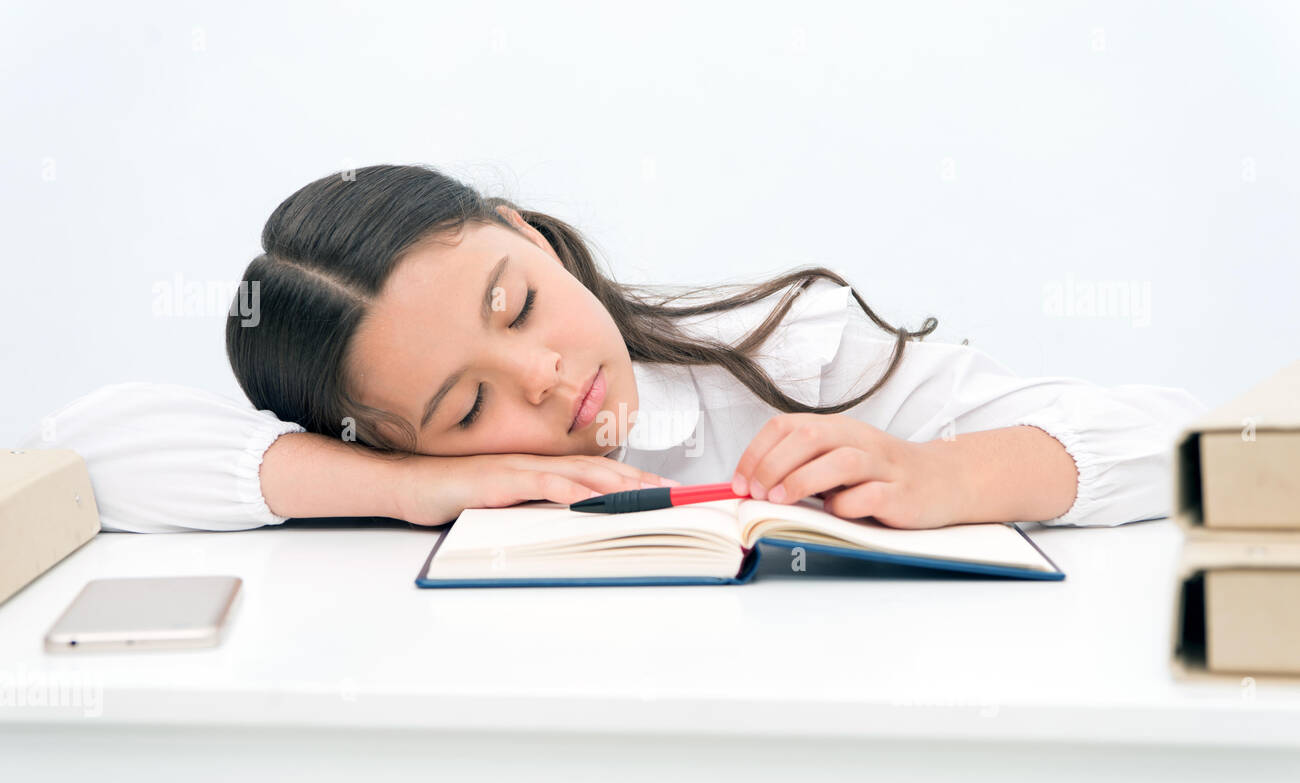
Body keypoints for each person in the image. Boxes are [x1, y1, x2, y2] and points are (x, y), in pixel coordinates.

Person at [18, 164, 1206, 534]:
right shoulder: (398, 466)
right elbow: (94, 446)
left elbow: (1180, 441)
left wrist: (948, 475)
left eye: (516, 302)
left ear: (529, 235)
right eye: (467, 408)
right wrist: (423, 486)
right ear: (388, 433)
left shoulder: (787, 345)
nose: (542, 377)